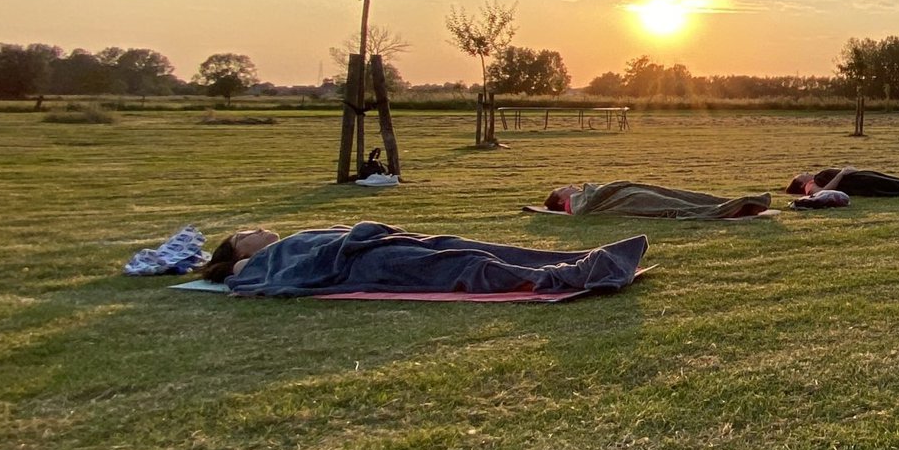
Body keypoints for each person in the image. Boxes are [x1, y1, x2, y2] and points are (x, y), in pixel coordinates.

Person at [198, 222, 648, 297]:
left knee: (463, 245)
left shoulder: (278, 243)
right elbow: (292, 272)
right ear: (240, 251)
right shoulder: (248, 265)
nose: (257, 231)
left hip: (374, 246)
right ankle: (565, 277)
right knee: (460, 265)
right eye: (246, 234)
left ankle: (580, 259)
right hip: (363, 263)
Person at [544, 181, 770, 219]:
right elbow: (587, 207)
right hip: (629, 198)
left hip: (628, 192)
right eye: (565, 187)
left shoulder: (581, 196)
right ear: (561, 196)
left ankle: (741, 201)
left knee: (683, 195)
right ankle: (732, 209)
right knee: (676, 205)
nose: (571, 185)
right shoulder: (573, 202)